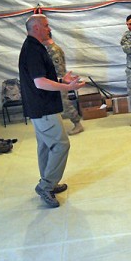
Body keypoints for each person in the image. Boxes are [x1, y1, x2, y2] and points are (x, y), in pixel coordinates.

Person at [19, 14, 85, 207]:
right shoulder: (32, 49)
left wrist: (61, 80)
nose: (49, 28)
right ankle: (46, 186)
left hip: (40, 107)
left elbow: (42, 77)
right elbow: (39, 83)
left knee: (46, 146)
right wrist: (67, 88)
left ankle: (49, 181)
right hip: (43, 108)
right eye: (46, 26)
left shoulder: (35, 47)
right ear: (37, 28)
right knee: (61, 145)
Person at [43, 32, 84, 135]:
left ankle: (77, 124)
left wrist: (60, 81)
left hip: (59, 81)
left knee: (64, 103)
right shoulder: (50, 49)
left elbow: (59, 69)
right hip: (55, 81)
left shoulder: (53, 50)